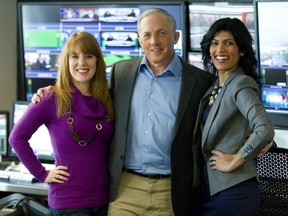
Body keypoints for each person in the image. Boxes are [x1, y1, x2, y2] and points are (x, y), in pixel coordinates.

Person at [31, 8, 212, 216]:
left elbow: (214, 123)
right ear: (139, 39)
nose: (154, 41)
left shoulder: (199, 81)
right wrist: (51, 91)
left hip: (171, 191)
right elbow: (91, 97)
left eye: (161, 33)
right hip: (125, 189)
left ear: (175, 37)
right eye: (147, 35)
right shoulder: (121, 72)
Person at [9, 31, 114, 216]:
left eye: (88, 56)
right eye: (75, 57)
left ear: (97, 61)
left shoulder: (107, 98)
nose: (82, 63)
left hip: (104, 201)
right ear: (66, 62)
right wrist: (42, 173)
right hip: (69, 204)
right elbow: (16, 138)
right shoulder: (51, 97)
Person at [196, 17, 275, 216]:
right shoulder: (217, 85)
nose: (219, 49)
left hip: (234, 192)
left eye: (228, 43)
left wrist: (234, 160)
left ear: (241, 50)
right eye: (215, 43)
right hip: (211, 190)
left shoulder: (241, 84)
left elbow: (264, 130)